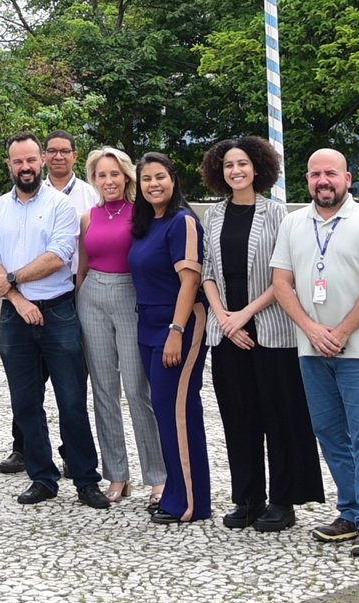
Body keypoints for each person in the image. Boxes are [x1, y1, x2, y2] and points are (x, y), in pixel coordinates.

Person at [271, 148, 359, 558]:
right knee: (330, 435)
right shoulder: (293, 223)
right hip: (312, 350)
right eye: (314, 175)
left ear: (347, 177)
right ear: (306, 180)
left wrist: (341, 332)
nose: (322, 181)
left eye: (330, 174)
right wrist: (310, 329)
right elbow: (282, 284)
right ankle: (351, 510)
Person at [199, 137, 325, 530]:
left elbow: (281, 277)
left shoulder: (278, 214)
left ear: (258, 168)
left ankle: (284, 501)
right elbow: (207, 274)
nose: (235, 171)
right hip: (226, 333)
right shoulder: (213, 216)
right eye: (228, 165)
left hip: (270, 329)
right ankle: (248, 498)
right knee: (239, 418)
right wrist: (224, 318)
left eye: (242, 164)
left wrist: (245, 315)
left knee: (280, 417)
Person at [0, 132, 110, 509]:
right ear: (9, 164)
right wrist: (17, 298)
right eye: (17, 161)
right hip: (15, 315)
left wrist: (14, 280)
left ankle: (86, 479)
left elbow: (58, 255)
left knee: (71, 399)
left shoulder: (61, 206)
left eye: (31, 160)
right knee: (25, 402)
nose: (25, 167)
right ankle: (43, 478)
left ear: (41, 162)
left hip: (58, 311)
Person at [75, 146, 165, 506]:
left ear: (126, 176)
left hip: (129, 295)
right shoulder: (87, 217)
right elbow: (82, 265)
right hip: (92, 295)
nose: (108, 181)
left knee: (136, 387)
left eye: (115, 174)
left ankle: (157, 475)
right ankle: (117, 474)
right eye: (101, 175)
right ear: (93, 179)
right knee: (103, 390)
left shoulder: (141, 214)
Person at [127, 152, 210, 524]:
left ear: (173, 179)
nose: (153, 184)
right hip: (147, 325)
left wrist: (176, 332)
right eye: (146, 179)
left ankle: (192, 503)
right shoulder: (147, 223)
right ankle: (175, 492)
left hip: (178, 327)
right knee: (164, 411)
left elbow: (190, 281)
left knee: (178, 412)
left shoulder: (182, 222)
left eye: (160, 176)